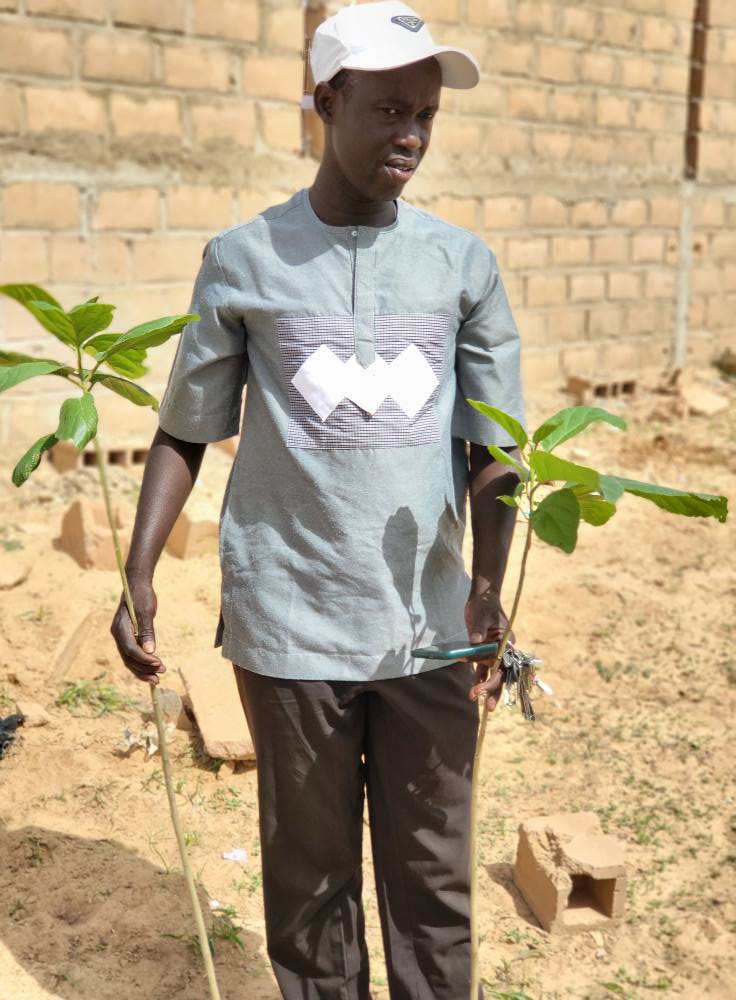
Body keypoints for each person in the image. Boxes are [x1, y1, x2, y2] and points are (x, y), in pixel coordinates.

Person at [111, 3, 526, 997]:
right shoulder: (245, 259)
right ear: (326, 103)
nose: (411, 135)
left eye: (426, 115)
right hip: (290, 619)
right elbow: (186, 427)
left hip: (428, 627)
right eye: (388, 110)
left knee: (433, 878)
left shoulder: (460, 265)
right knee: (309, 880)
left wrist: (484, 588)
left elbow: (495, 445)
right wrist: (137, 571)